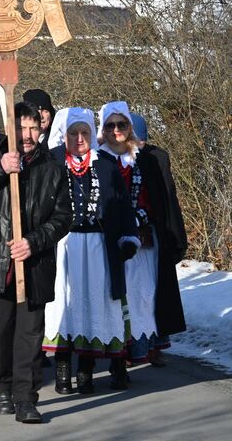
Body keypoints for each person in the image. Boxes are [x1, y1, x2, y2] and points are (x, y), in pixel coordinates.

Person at [0, 101, 72, 423]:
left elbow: (64, 217)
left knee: (30, 335)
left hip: (33, 266)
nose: (26, 135)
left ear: (41, 129)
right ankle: (2, 387)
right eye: (20, 128)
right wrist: (0, 169)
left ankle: (27, 398)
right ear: (9, 128)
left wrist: (33, 242)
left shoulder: (52, 166)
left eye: (33, 128)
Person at [42, 107, 138, 396]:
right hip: (64, 246)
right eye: (74, 133)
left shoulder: (105, 165)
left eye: (85, 132)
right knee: (63, 306)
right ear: (65, 135)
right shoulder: (52, 162)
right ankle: (62, 370)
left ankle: (85, 372)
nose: (80, 138)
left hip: (97, 248)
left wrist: (128, 238)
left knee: (91, 307)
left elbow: (122, 205)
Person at [97, 102, 186, 368]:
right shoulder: (97, 158)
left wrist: (136, 220)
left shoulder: (144, 159)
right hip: (108, 238)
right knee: (116, 296)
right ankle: (118, 352)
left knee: (143, 295)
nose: (116, 131)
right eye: (110, 126)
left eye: (122, 125)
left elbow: (156, 200)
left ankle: (143, 347)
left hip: (142, 238)